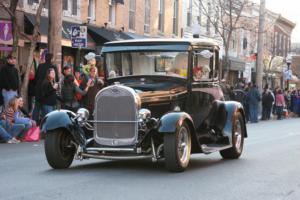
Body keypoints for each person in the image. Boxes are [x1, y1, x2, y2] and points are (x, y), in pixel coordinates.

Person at [33, 53, 58, 123]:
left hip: (38, 91)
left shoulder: (40, 66)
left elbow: (36, 78)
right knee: (48, 112)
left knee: (36, 109)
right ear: (52, 59)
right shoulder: (53, 67)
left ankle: (33, 124)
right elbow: (57, 79)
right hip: (48, 92)